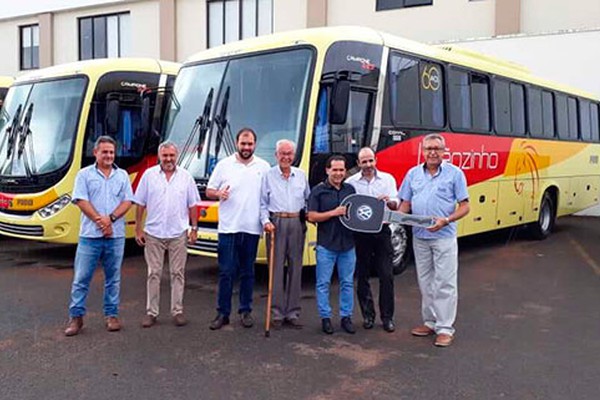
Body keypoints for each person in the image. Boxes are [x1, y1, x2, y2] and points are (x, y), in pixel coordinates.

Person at [398, 133, 470, 347]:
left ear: (444, 151)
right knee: (426, 282)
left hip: (443, 237)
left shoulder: (454, 174)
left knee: (445, 283)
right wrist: (393, 218)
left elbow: (465, 206)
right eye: (428, 148)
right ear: (423, 151)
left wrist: (446, 220)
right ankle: (430, 322)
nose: (432, 152)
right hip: (420, 237)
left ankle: (445, 328)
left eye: (436, 148)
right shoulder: (413, 174)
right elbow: (405, 204)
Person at [64, 136, 134, 336]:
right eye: (105, 152)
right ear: (96, 153)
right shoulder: (84, 175)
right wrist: (100, 221)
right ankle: (76, 318)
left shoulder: (122, 176)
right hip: (89, 236)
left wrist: (110, 219)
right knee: (81, 278)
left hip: (115, 236)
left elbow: (128, 201)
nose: (109, 156)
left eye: (111, 152)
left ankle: (111, 315)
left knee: (113, 278)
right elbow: (81, 200)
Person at [206, 128, 270, 330]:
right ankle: (222, 313)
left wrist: (266, 220)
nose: (246, 147)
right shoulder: (224, 165)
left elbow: (267, 198)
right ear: (236, 143)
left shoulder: (264, 166)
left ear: (255, 145)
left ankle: (245, 311)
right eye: (243, 143)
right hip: (228, 228)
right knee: (226, 272)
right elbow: (209, 191)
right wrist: (219, 194)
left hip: (251, 228)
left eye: (250, 144)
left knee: (248, 272)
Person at [134, 141, 200, 328]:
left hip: (178, 233)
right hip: (154, 233)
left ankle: (177, 311)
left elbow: (193, 205)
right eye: (165, 156)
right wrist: (138, 228)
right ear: (159, 156)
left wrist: (194, 229)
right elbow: (140, 203)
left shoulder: (186, 177)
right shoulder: (148, 176)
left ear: (176, 156)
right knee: (153, 273)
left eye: (172, 155)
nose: (168, 159)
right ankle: (151, 312)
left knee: (177, 273)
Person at [347, 147, 399, 333]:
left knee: (386, 275)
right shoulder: (351, 182)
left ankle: (387, 317)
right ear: (358, 163)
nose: (368, 165)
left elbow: (396, 203)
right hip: (360, 234)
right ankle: (368, 316)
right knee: (362, 276)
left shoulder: (387, 179)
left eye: (371, 161)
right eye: (364, 162)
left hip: (382, 231)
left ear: (375, 160)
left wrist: (390, 202)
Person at [260, 139, 309, 329]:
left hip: (296, 221)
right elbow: (262, 203)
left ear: (294, 156)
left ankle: (293, 312)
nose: (286, 157)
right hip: (276, 222)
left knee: (296, 268)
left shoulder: (301, 175)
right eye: (282, 153)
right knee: (276, 269)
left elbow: (307, 199)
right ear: (276, 155)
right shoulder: (268, 175)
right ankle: (277, 313)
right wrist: (266, 222)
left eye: (289, 154)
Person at [307, 155, 356, 335]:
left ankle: (346, 317)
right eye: (334, 170)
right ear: (327, 170)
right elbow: (311, 216)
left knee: (347, 283)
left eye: (341, 170)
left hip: (348, 244)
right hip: (326, 244)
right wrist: (333, 213)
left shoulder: (350, 189)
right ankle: (325, 318)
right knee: (323, 283)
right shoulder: (318, 191)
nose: (338, 173)